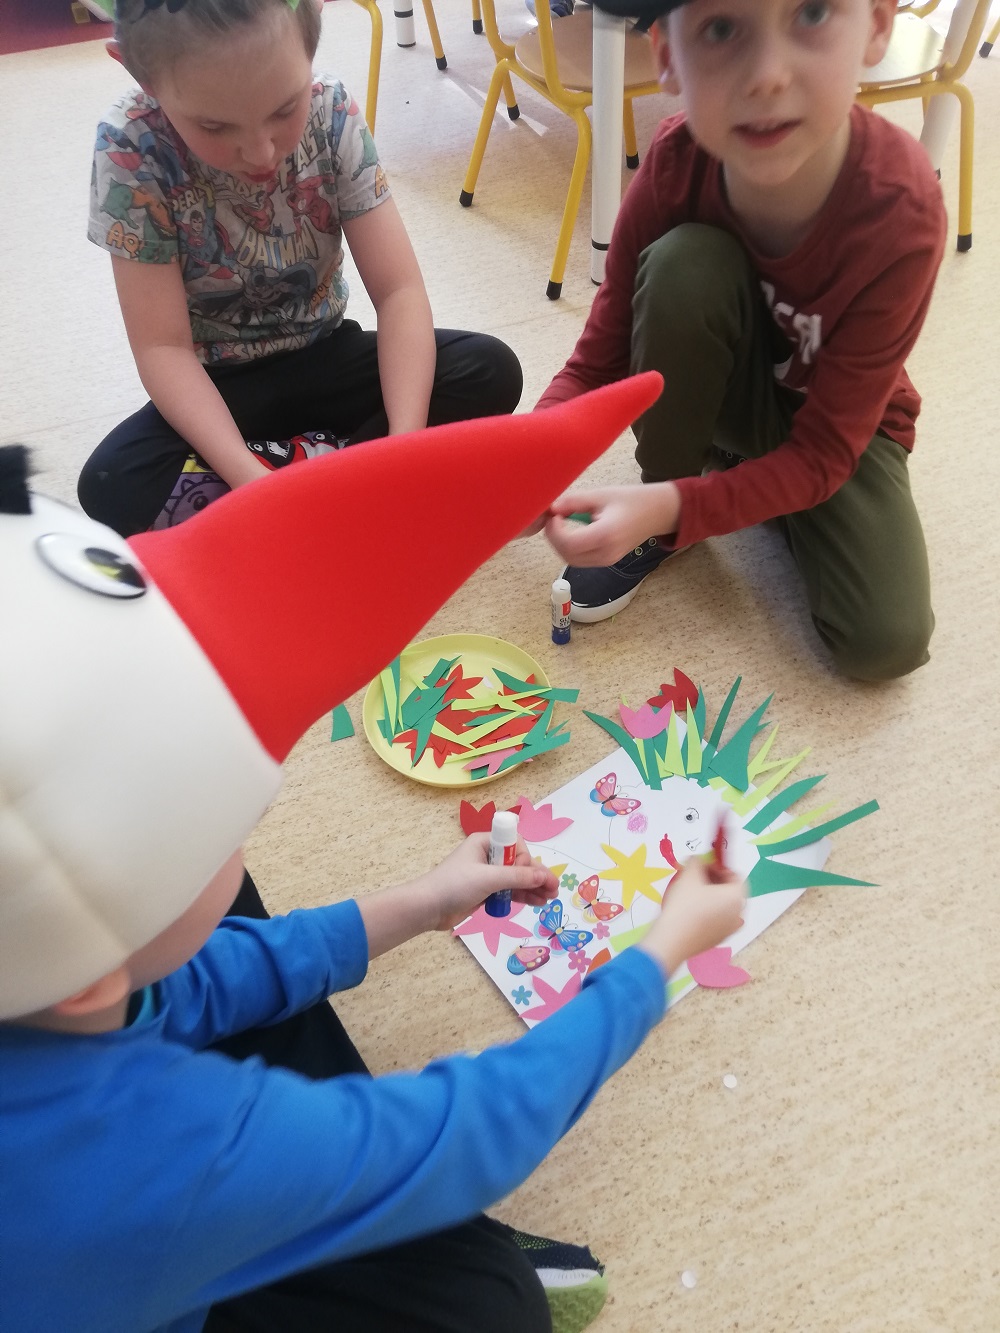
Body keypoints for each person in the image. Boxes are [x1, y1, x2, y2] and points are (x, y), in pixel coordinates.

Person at [3, 377, 751, 1333]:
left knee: (215, 921)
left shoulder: (41, 972)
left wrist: (425, 899)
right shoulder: (159, 1156)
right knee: (495, 1308)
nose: (248, 831)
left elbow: (180, 990)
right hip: (132, 1233)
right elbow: (464, 1133)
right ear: (83, 977)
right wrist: (660, 952)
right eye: (229, 825)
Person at [537, 0, 946, 681]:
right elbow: (600, 355)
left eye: (812, 13)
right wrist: (531, 460)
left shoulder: (901, 210)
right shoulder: (675, 163)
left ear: (877, 24)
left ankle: (732, 484)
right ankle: (688, 481)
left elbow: (825, 452)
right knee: (683, 265)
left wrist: (682, 509)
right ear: (668, 57)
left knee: (885, 642)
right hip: (726, 384)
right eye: (721, 28)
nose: (767, 76)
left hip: (837, 426)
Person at [77, 0, 523, 536]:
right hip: (221, 386)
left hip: (326, 352)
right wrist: (250, 482)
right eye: (214, 125)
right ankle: (344, 486)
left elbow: (399, 292)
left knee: (489, 369)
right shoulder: (130, 145)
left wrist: (402, 446)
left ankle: (318, 491)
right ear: (138, 72)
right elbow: (163, 349)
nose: (260, 152)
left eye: (285, 109)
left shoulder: (331, 111)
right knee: (112, 481)